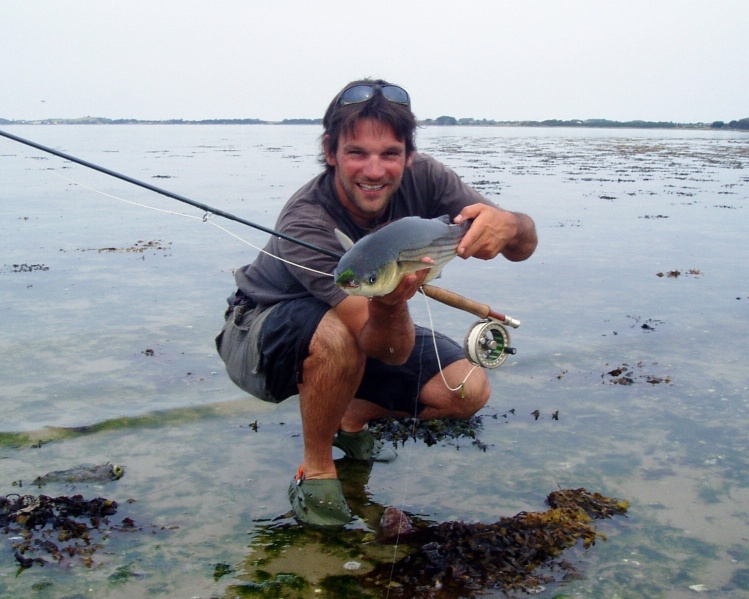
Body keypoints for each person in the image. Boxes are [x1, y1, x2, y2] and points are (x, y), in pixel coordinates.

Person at [216, 78, 538, 529]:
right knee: (335, 338)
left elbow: (524, 246)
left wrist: (511, 224)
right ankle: (319, 467)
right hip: (260, 334)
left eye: (389, 153)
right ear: (330, 151)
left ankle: (351, 411)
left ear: (408, 154)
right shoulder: (307, 220)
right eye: (356, 153)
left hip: (370, 315)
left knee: (467, 389)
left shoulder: (427, 177)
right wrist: (388, 307)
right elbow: (387, 348)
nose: (374, 170)